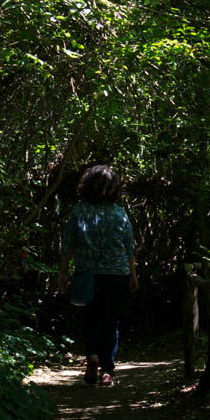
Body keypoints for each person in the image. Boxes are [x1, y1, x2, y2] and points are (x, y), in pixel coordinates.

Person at [58, 164, 138, 386]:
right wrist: (133, 275)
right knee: (110, 321)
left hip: (87, 274)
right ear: (114, 188)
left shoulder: (78, 211)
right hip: (116, 275)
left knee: (90, 319)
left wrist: (62, 272)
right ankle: (107, 370)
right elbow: (129, 248)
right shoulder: (119, 213)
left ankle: (92, 356)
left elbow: (68, 245)